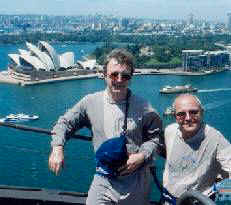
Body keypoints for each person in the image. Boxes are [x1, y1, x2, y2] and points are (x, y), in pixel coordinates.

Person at [48, 48, 163, 205]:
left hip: (136, 181)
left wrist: (142, 155)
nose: (119, 79)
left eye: (125, 76)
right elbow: (64, 123)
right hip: (104, 177)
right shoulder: (90, 102)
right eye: (114, 74)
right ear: (104, 75)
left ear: (131, 78)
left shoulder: (144, 107)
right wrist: (57, 147)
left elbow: (155, 138)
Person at [163, 94, 231, 201]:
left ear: (202, 112)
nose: (188, 118)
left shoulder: (215, 138)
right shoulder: (169, 131)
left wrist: (222, 191)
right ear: (174, 117)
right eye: (181, 114)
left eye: (194, 112)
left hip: (198, 200)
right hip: (168, 198)